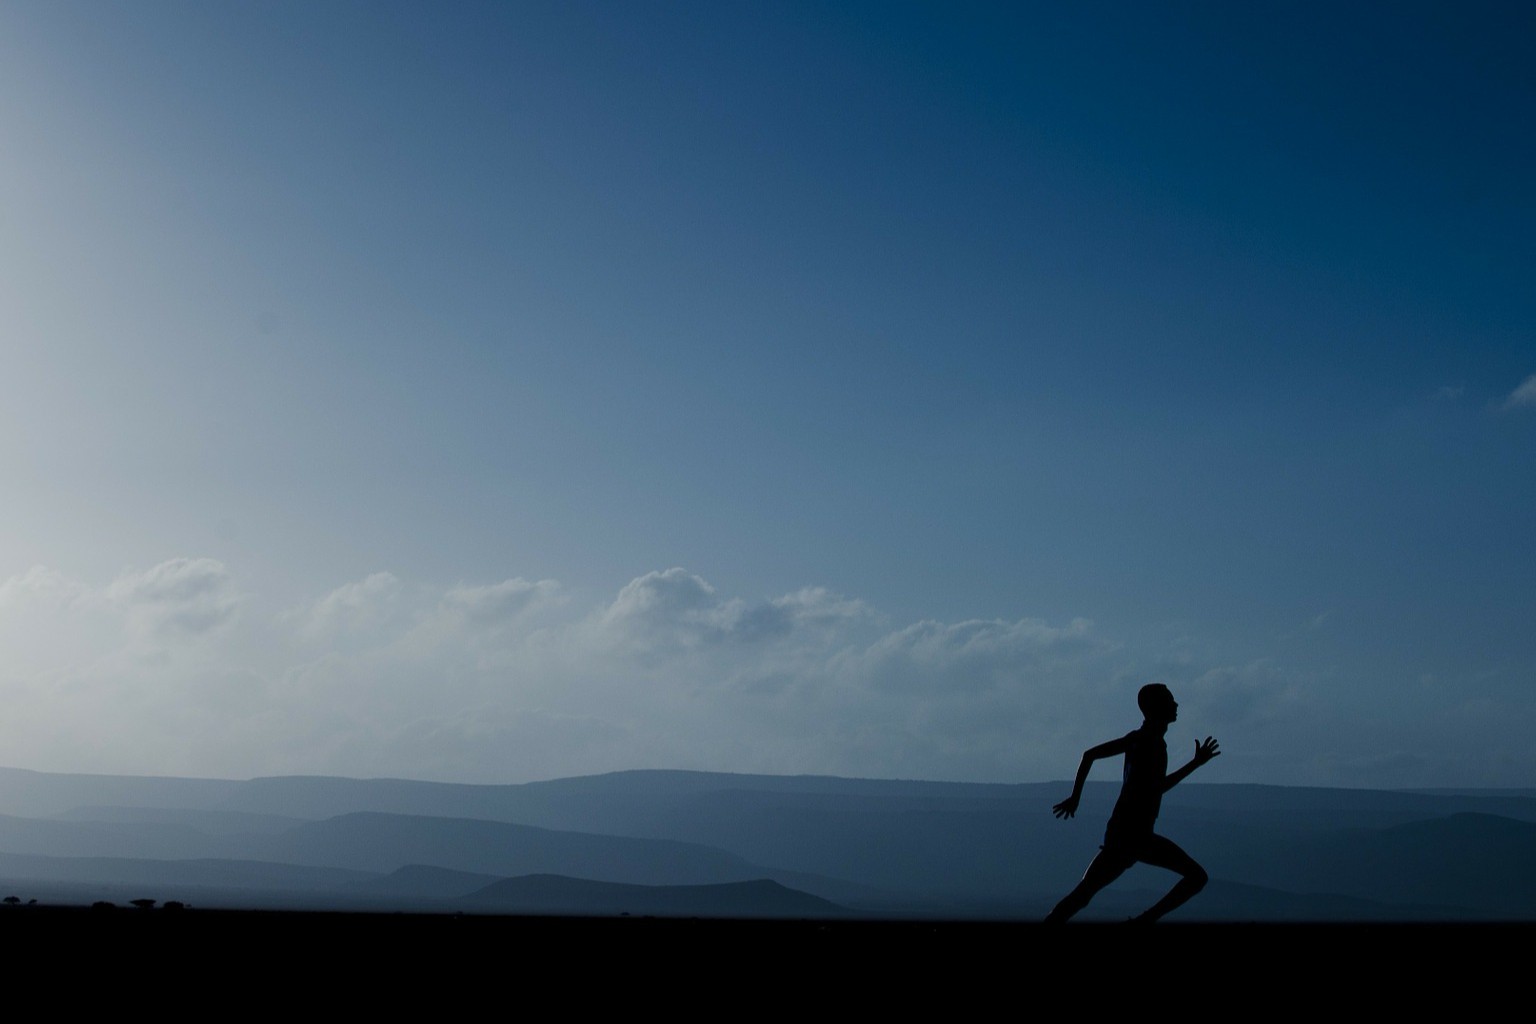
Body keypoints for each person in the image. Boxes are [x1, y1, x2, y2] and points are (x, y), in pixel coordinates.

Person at [1044, 683, 1219, 923]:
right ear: (1156, 708)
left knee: (1083, 894)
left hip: (1123, 833)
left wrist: (1076, 798)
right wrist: (1195, 764)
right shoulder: (1150, 743)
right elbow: (1157, 788)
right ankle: (1144, 921)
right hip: (1135, 835)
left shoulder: (1139, 739)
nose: (1176, 704)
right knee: (1197, 877)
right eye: (1170, 700)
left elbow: (1090, 755)